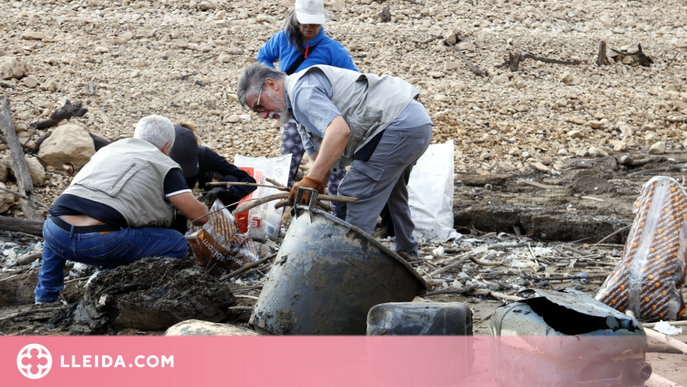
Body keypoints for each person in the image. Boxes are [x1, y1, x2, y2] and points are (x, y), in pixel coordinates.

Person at [237, 63, 433, 258]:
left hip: (397, 125)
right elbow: (320, 156)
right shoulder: (297, 112)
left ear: (271, 84)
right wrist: (317, 183)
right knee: (392, 193)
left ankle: (348, 269)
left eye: (259, 106)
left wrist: (312, 180)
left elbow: (339, 131)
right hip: (413, 123)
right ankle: (407, 253)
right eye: (257, 112)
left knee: (352, 196)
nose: (263, 115)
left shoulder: (301, 92)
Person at [34, 115, 210, 304]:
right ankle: (107, 281)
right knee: (175, 242)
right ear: (167, 147)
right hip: (99, 243)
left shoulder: (107, 151)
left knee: (59, 220)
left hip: (55, 235)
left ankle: (45, 296)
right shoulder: (165, 165)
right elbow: (200, 217)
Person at [256, 0, 358, 218]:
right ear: (297, 18)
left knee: (333, 165)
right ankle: (277, 217)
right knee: (287, 163)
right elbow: (262, 57)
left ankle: (336, 217)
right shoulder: (283, 39)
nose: (309, 28)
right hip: (294, 112)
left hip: (324, 117)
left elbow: (356, 80)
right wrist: (275, 81)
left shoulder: (332, 49)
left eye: (315, 24)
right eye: (305, 23)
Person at [168, 123, 257, 233]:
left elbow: (249, 181)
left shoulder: (205, 155)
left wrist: (228, 191)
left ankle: (217, 229)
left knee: (231, 180)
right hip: (177, 205)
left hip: (207, 204)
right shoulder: (160, 161)